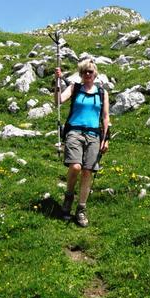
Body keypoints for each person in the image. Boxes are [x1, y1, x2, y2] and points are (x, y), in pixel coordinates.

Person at [54, 59, 110, 227]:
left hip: (94, 135)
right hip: (74, 132)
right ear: (80, 74)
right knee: (76, 167)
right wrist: (57, 82)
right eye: (84, 72)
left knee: (87, 172)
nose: (87, 74)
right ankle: (69, 197)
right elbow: (58, 101)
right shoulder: (74, 87)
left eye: (90, 72)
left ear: (95, 74)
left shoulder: (102, 93)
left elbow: (106, 117)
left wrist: (105, 139)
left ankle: (81, 209)